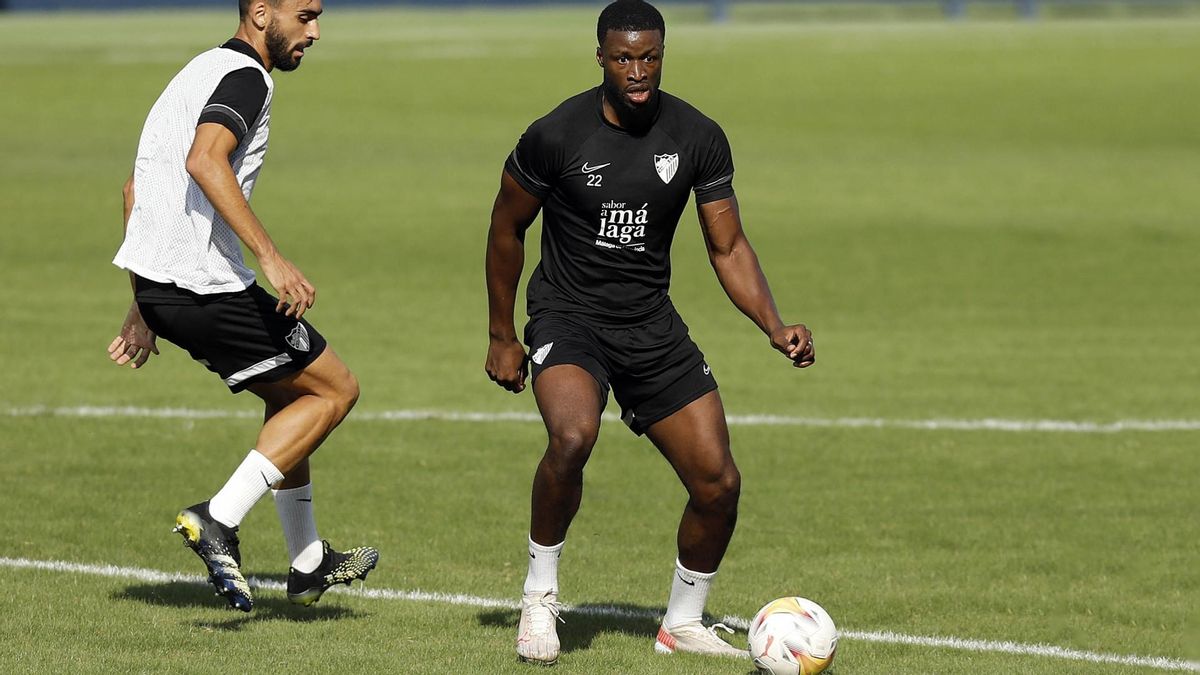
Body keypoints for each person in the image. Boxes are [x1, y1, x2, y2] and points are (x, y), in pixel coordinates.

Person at [484, 0, 815, 663]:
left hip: (649, 325)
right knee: (574, 434)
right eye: (624, 57)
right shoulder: (556, 135)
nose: (638, 70)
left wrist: (773, 325)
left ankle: (682, 621)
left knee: (719, 482)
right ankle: (540, 598)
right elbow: (505, 228)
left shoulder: (696, 136)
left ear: (663, 54)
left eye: (650, 56)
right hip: (568, 315)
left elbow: (728, 246)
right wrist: (501, 334)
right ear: (601, 57)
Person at [108, 0, 377, 612]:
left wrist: (141, 305)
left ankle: (308, 561)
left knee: (289, 395)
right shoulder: (247, 78)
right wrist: (271, 258)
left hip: (163, 286)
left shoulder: (196, 70)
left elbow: (134, 191)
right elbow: (204, 160)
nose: (314, 31)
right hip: (203, 284)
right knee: (334, 389)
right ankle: (217, 518)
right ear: (261, 13)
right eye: (303, 15)